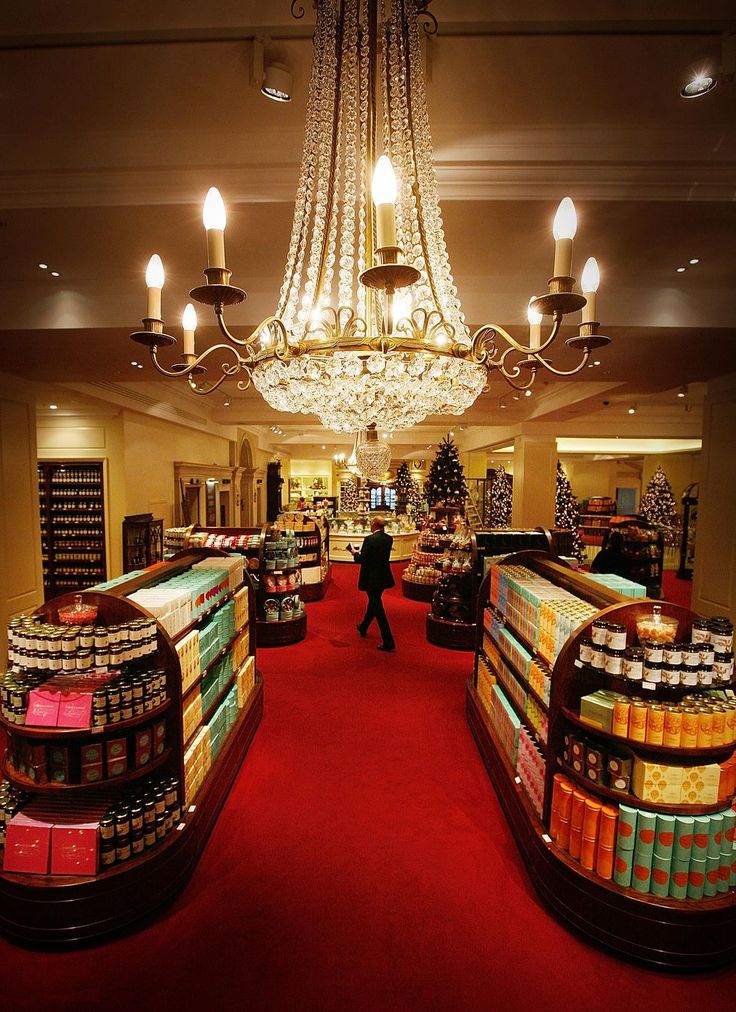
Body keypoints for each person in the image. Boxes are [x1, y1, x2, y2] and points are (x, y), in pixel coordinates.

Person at [348, 517, 396, 651]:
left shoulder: (369, 540)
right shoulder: (389, 539)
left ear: (374, 525)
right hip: (383, 577)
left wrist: (354, 553)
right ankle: (363, 626)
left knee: (377, 607)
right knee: (374, 602)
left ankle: (388, 641)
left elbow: (362, 560)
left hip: (371, 578)